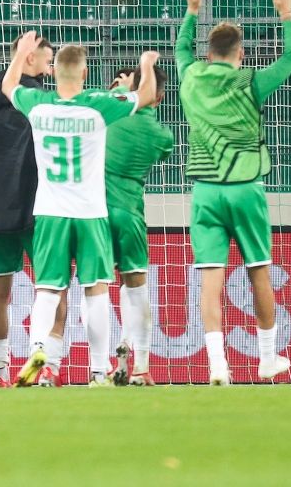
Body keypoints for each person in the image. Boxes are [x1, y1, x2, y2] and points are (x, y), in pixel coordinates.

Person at [6, 35, 160, 388]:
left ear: (54, 73)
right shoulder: (99, 105)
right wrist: (147, 66)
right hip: (90, 213)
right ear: (85, 73)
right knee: (95, 290)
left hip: (50, 212)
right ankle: (97, 369)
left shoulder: (37, 104)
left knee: (46, 289)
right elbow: (147, 94)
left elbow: (8, 85)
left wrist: (20, 54)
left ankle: (39, 351)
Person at [176, 0, 291, 385]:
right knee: (258, 272)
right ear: (241, 54)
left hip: (205, 192)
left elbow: (179, 50)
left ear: (208, 53)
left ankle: (217, 366)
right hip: (246, 188)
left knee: (210, 278)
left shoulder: (191, 76)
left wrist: (192, 10)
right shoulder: (251, 81)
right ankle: (266, 359)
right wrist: (285, 13)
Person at [0, 34, 71, 388]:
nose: (52, 66)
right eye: (47, 60)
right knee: (54, 288)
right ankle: (50, 367)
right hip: (37, 207)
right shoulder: (40, 99)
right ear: (28, 59)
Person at [103, 63, 175, 387]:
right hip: (130, 213)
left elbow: (102, 107)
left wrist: (119, 91)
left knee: (97, 289)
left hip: (96, 213)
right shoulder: (162, 136)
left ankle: (110, 358)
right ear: (159, 97)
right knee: (136, 287)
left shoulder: (109, 113)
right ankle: (141, 366)